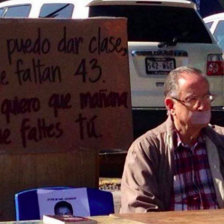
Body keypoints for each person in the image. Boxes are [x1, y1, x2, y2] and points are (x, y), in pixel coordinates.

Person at [120, 66, 224, 213]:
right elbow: (141, 210)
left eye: (206, 97)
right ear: (171, 105)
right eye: (192, 99)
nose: (202, 106)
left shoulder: (220, 140)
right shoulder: (147, 149)